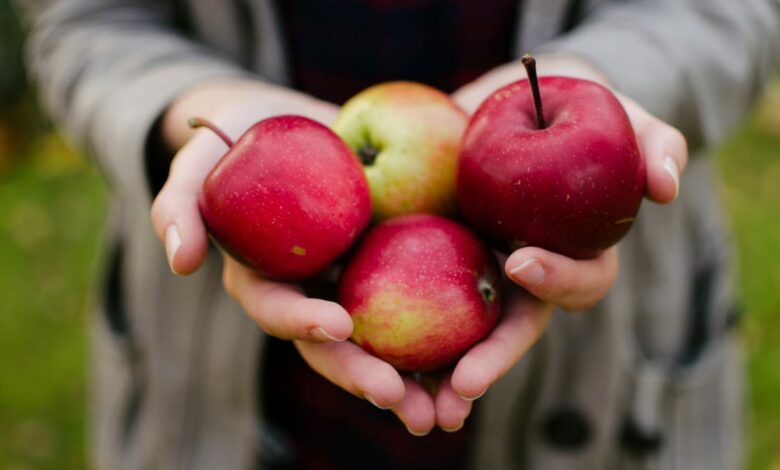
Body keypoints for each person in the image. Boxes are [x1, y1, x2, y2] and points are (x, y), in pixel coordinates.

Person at [18, 0, 780, 468]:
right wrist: (188, 105)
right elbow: (86, 19)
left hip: (602, 380)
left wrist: (595, 74)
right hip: (227, 385)